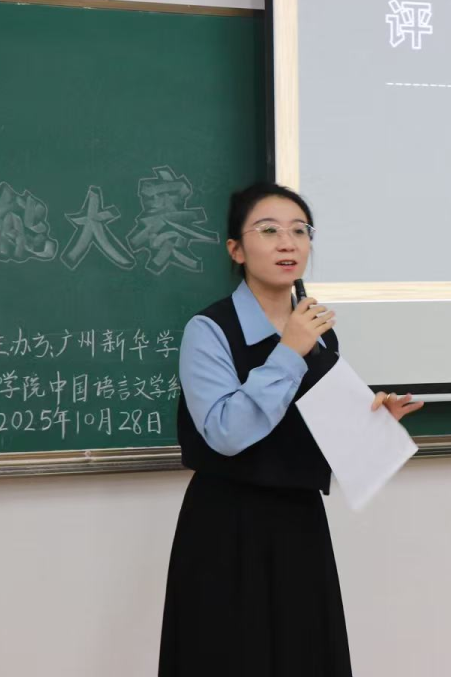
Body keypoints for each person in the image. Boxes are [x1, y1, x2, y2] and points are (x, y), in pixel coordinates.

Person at [158, 182, 423, 677]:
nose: (288, 243)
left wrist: (373, 424)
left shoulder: (319, 333)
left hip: (299, 522)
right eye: (269, 230)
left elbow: (313, 433)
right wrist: (288, 350)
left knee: (303, 655)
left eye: (300, 231)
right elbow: (226, 433)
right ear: (236, 249)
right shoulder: (209, 330)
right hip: (227, 526)